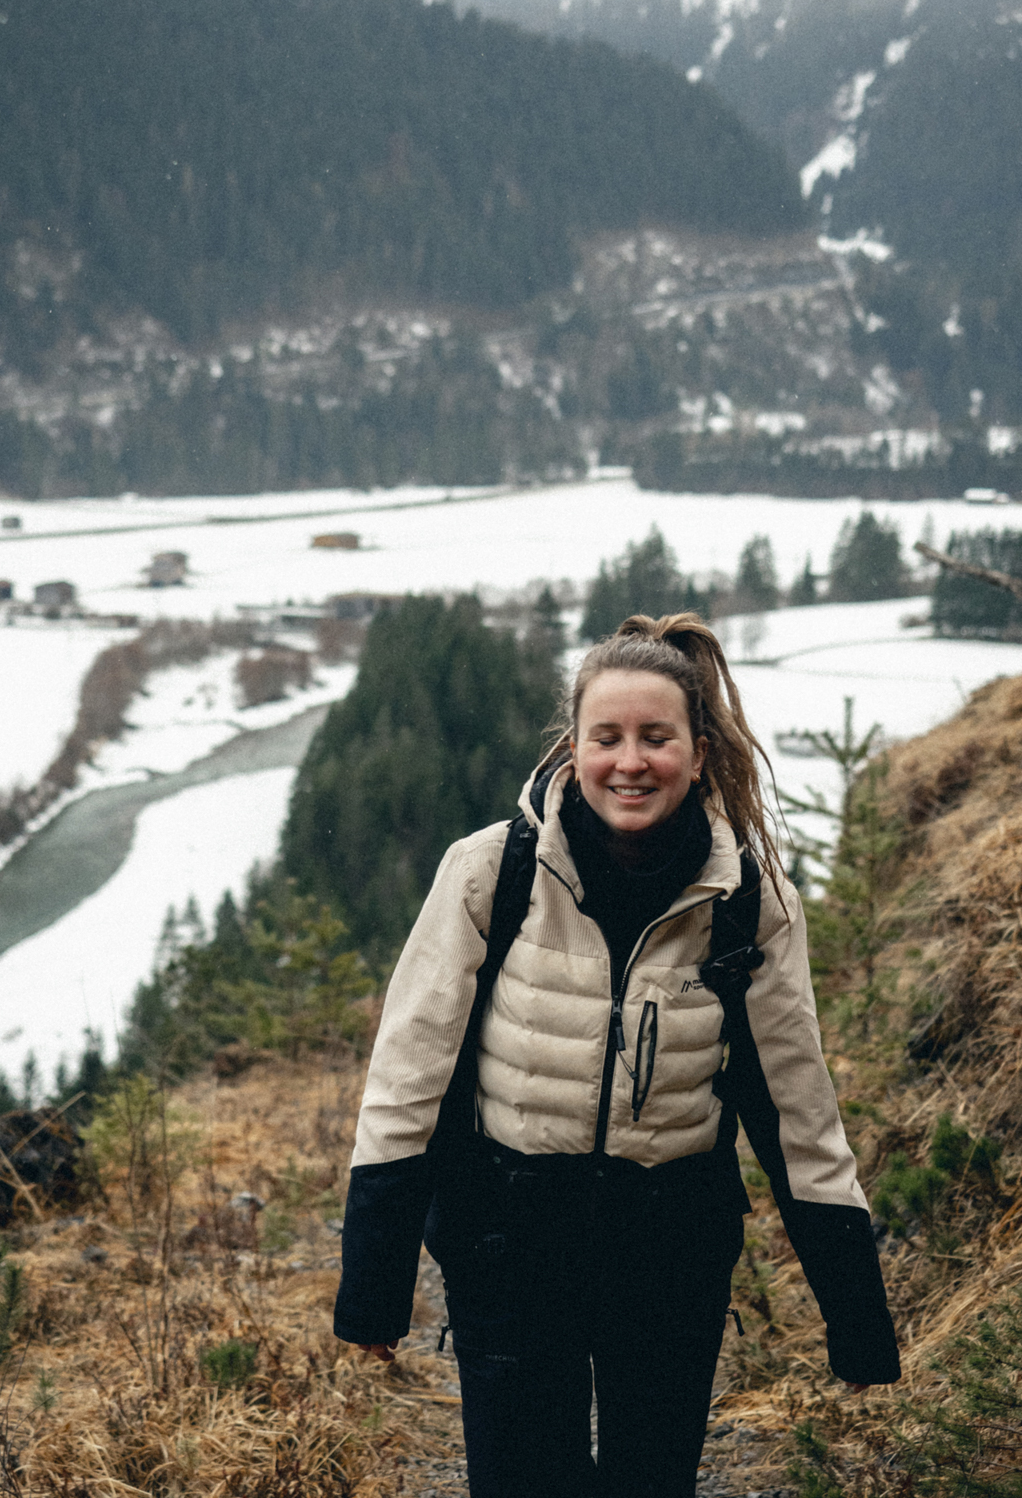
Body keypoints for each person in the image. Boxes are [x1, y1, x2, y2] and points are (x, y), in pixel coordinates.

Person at [334, 613, 900, 1498]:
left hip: (669, 1249)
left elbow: (797, 1109)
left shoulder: (748, 902)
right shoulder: (493, 871)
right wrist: (376, 1285)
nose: (629, 761)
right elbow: (408, 1079)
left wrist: (855, 1316)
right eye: (607, 737)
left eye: (655, 737)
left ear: (699, 751)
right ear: (573, 748)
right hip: (510, 1246)